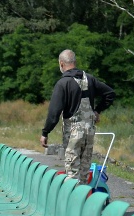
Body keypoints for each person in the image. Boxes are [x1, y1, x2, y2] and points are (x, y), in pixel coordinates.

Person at [40, 49, 115, 185]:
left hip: (73, 133)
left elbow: (54, 112)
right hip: (89, 131)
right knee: (84, 172)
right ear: (74, 62)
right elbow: (110, 93)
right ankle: (85, 202)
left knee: (72, 173)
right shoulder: (90, 79)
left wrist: (45, 132)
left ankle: (73, 204)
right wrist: (97, 111)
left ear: (61, 64)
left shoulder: (63, 83)